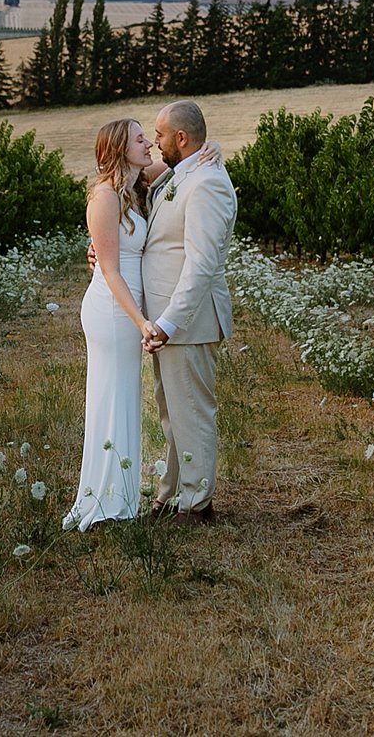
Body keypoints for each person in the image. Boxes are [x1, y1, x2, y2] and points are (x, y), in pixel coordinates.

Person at [63, 118, 166, 531]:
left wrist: (208, 147)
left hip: (128, 312)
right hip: (112, 310)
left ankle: (119, 496)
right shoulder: (104, 198)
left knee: (124, 398)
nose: (149, 145)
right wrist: (141, 320)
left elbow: (181, 157)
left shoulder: (137, 186)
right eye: (140, 139)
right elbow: (110, 270)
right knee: (110, 397)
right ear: (119, 148)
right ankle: (103, 500)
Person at [139, 100, 238, 522]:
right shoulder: (182, 173)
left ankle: (198, 504)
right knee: (171, 413)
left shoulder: (207, 183)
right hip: (171, 322)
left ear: (181, 138)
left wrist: (168, 321)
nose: (155, 141)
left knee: (193, 412)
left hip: (188, 321)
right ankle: (170, 494)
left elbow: (201, 264)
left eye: (159, 135)